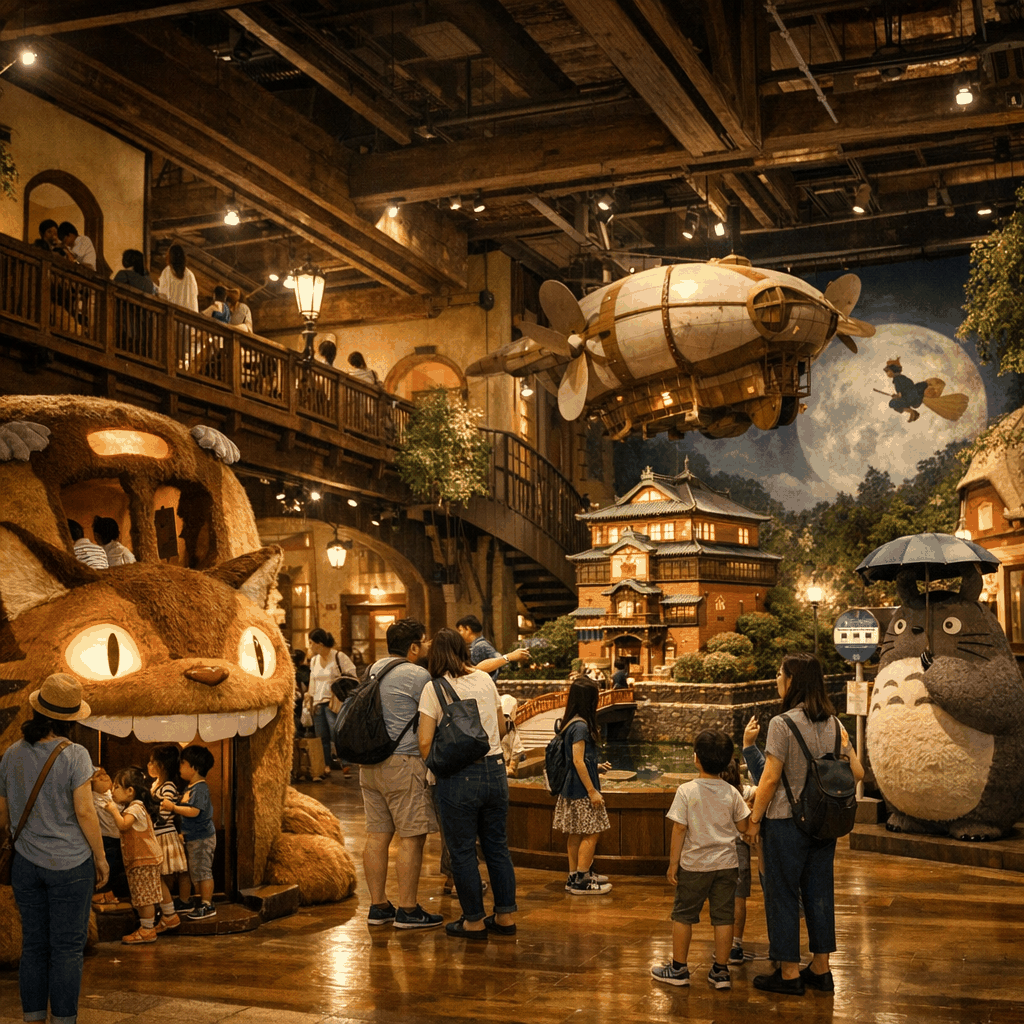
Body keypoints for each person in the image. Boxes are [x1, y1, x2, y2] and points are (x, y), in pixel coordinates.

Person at [746, 653, 865, 995]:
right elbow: (856, 773)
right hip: (824, 822)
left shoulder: (783, 724)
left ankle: (787, 974)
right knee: (819, 893)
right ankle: (821, 969)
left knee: (782, 895)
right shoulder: (836, 725)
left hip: (785, 822)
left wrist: (755, 820)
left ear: (793, 680)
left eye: (780, 674)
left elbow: (768, 780)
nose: (776, 680)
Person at [0, 673, 109, 1024]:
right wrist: (102, 857)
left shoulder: (11, 754)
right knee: (66, 949)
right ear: (71, 718)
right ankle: (64, 1020)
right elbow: (84, 810)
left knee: (33, 946)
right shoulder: (76, 754)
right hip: (71, 866)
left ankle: (33, 1018)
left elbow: (1, 814)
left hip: (25, 865)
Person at [418, 628, 517, 939]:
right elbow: (500, 728)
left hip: (458, 779)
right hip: (495, 772)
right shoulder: (485, 680)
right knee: (497, 848)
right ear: (464, 651)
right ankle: (504, 918)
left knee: (462, 851)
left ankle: (473, 921)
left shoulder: (433, 689)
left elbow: (424, 745)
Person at [651, 729, 750, 990]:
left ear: (696, 758)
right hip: (727, 865)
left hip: (694, 865)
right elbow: (743, 826)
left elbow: (680, 828)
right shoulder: (732, 793)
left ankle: (679, 968)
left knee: (683, 915)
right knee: (723, 917)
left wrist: (673, 864)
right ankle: (720, 971)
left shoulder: (686, 791)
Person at [360, 618, 442, 929]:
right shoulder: (418, 674)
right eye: (424, 641)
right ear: (413, 647)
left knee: (377, 835)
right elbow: (438, 709)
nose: (427, 646)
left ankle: (378, 906)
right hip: (403, 763)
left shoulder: (373, 668)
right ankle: (408, 909)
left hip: (370, 764)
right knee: (412, 835)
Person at [553, 676, 613, 895]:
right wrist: (592, 791)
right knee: (592, 832)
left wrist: (595, 767)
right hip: (580, 790)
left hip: (570, 787)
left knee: (575, 833)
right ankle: (582, 879)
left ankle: (575, 875)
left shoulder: (569, 722)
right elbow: (578, 761)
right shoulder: (581, 726)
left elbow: (575, 759)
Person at [105, 767, 175, 943]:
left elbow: (123, 825)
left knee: (143, 895)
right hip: (150, 856)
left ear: (130, 791)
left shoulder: (135, 808)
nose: (112, 791)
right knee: (157, 886)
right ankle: (170, 915)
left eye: (116, 787)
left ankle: (147, 929)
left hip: (142, 859)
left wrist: (113, 810)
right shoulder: (138, 806)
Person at [160, 744, 217, 921]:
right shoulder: (191, 787)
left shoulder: (200, 788)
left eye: (183, 763)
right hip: (193, 837)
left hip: (202, 838)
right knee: (196, 872)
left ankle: (207, 904)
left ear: (194, 767)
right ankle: (195, 902)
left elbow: (194, 811)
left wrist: (173, 807)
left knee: (203, 871)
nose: (180, 767)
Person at [304, 628, 356, 776]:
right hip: (318, 702)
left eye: (311, 643)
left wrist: (338, 684)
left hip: (335, 702)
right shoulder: (314, 660)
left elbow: (352, 674)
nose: (310, 646)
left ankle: (345, 763)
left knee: (337, 733)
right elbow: (313, 681)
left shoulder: (338, 656)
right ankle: (325, 765)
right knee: (322, 737)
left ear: (319, 643)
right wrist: (310, 698)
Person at [720, 758, 756, 965]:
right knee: (739, 897)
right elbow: (760, 791)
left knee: (720, 899)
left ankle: (722, 945)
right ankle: (736, 945)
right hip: (739, 848)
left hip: (717, 850)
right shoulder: (743, 793)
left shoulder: (714, 792)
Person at [147, 746, 188, 915]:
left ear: (161, 765)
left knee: (170, 871)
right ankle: (165, 905)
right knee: (161, 873)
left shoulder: (168, 786)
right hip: (156, 834)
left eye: (151, 762)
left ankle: (174, 905)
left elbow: (163, 813)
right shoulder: (156, 784)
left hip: (165, 835)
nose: (148, 765)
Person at [90, 766, 127, 906]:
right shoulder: (93, 798)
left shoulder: (111, 794)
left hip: (118, 837)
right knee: (106, 868)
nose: (105, 777)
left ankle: (109, 891)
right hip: (105, 839)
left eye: (106, 774)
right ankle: (101, 893)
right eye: (99, 777)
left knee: (116, 868)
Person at [454, 615, 531, 683]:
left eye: (460, 630)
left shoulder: (480, 646)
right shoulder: (481, 644)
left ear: (468, 629)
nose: (459, 634)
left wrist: (509, 657)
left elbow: (499, 661)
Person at [158, 243, 199, 312]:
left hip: (172, 317)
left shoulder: (167, 272)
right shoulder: (190, 275)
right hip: (188, 319)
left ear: (170, 257)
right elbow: (194, 296)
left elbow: (163, 296)